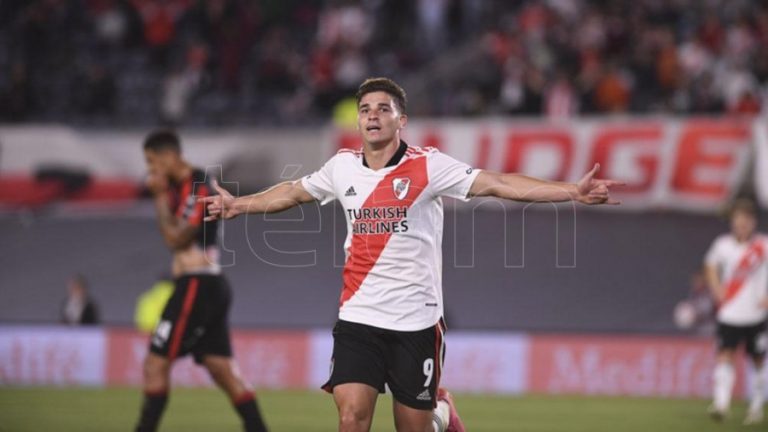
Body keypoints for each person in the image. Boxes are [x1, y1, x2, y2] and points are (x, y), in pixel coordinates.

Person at [200, 77, 622, 432]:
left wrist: (572, 192)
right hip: (359, 316)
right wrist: (240, 205)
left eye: (383, 108)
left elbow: (497, 183)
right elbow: (292, 192)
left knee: (413, 427)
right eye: (365, 108)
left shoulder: (428, 166)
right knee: (351, 419)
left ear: (401, 120)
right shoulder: (341, 167)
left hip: (415, 322)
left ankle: (440, 413)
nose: (372, 115)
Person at [136, 130, 268, 432]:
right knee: (223, 371)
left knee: (155, 364)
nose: (151, 171)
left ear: (169, 156)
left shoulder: (197, 185)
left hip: (197, 284)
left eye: (152, 162)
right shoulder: (183, 186)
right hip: (209, 284)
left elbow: (175, 238)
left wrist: (157, 197)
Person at [705, 199, 768, 424]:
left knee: (758, 360)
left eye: (746, 220)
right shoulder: (722, 245)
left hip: (755, 314)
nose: (742, 224)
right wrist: (717, 289)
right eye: (738, 220)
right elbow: (710, 265)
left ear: (753, 222)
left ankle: (757, 406)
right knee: (725, 355)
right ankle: (721, 404)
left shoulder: (763, 245)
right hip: (730, 312)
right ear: (732, 222)